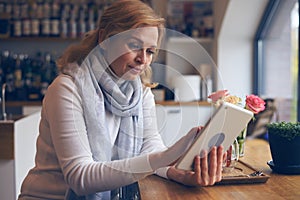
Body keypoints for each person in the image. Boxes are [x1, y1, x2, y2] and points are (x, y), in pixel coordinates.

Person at [18, 1, 225, 199]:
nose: (143, 59)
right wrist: (167, 156)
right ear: (104, 40)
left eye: (150, 51)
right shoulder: (67, 89)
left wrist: (177, 172)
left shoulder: (140, 93)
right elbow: (80, 177)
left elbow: (150, 149)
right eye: (134, 45)